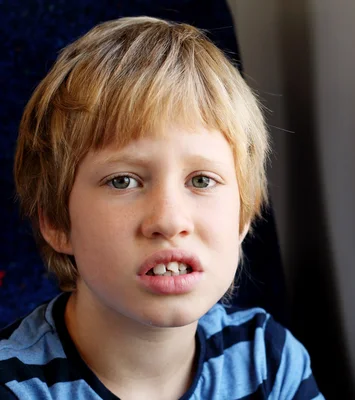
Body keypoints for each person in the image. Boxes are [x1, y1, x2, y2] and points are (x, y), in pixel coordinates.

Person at [0, 16, 323, 400]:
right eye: (123, 181)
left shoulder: (269, 361)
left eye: (201, 180)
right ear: (56, 221)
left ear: (243, 216)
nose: (169, 220)